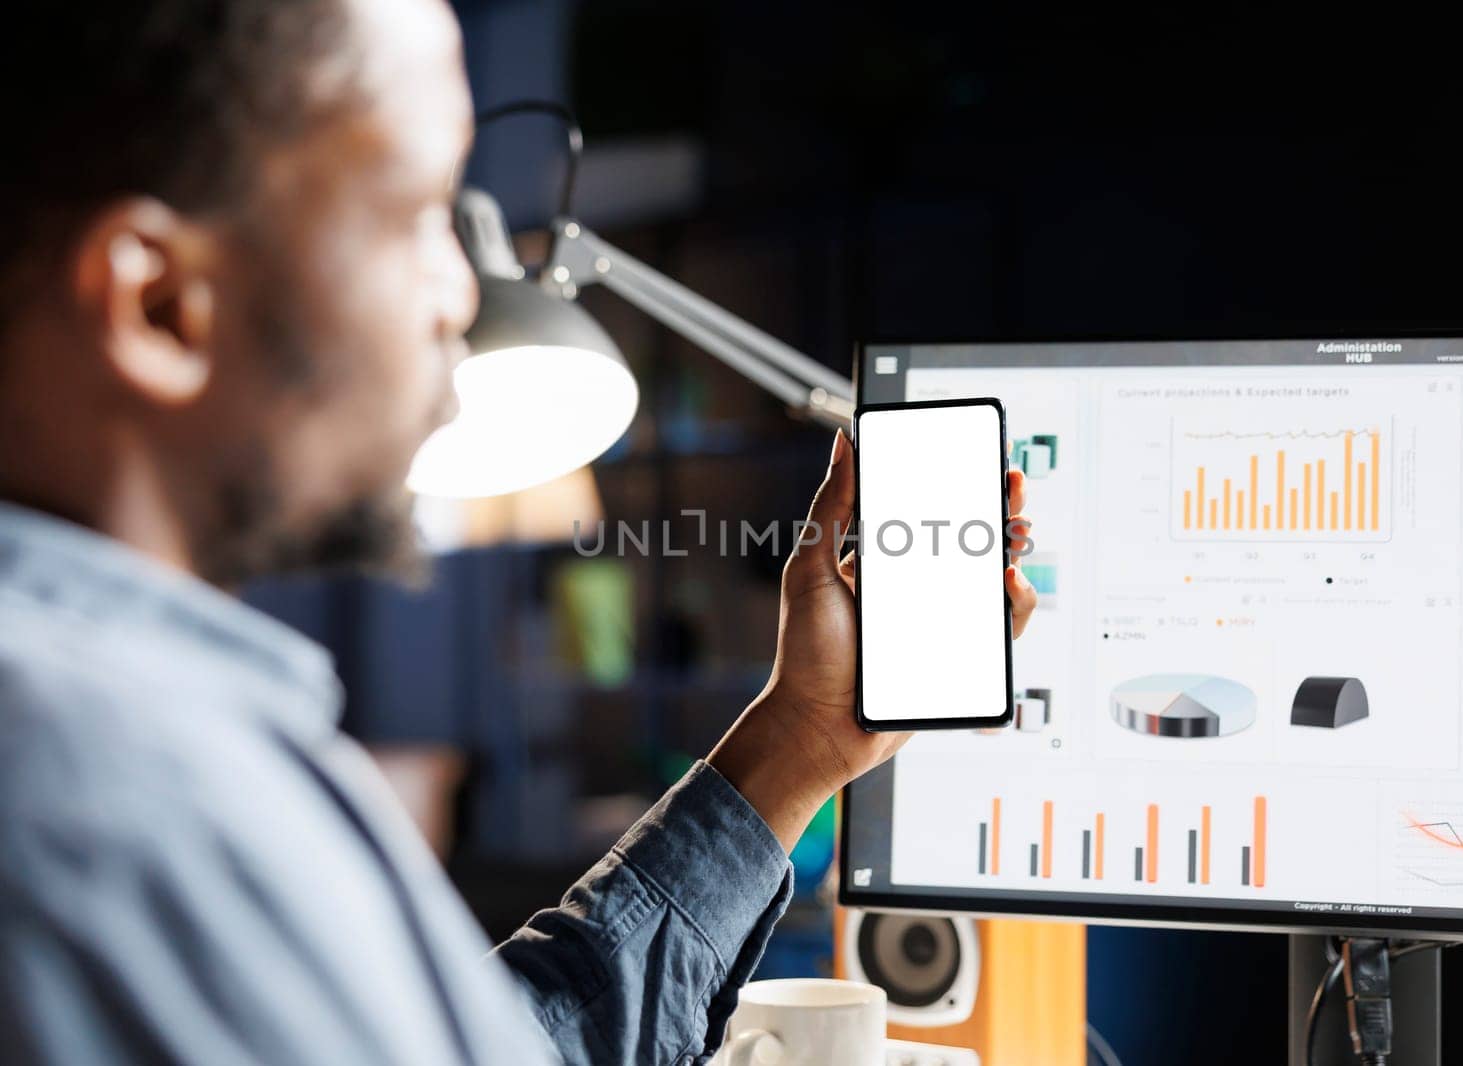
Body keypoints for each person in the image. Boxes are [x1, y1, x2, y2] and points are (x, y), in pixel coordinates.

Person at [0, 1, 1038, 1063]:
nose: (460, 291)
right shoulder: (114, 794)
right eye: (415, 213)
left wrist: (797, 743)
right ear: (162, 304)